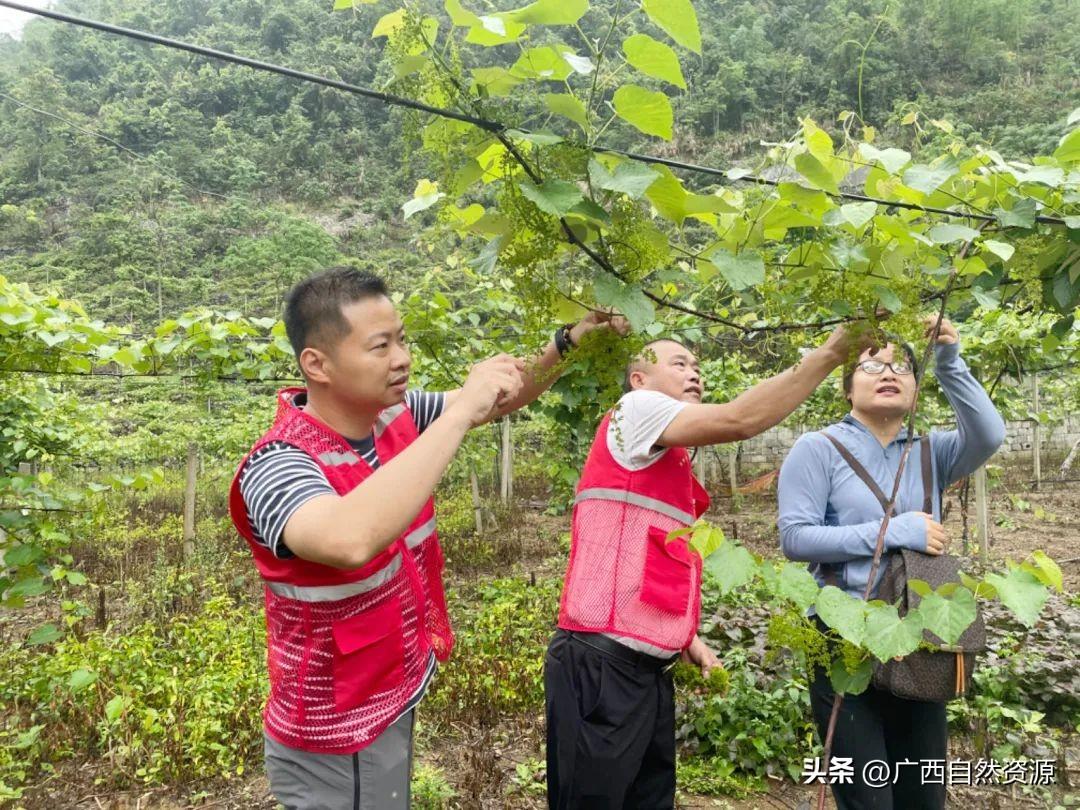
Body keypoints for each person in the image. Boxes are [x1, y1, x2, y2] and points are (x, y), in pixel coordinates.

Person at [229, 266, 625, 810]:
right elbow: (348, 539)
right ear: (316, 364)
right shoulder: (278, 465)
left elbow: (499, 400)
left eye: (402, 339)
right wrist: (462, 407)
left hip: (388, 692)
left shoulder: (395, 415)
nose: (402, 358)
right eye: (380, 346)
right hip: (335, 727)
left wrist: (566, 341)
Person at [545, 325, 871, 809]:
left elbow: (648, 554)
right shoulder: (633, 412)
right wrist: (828, 355)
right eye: (678, 364)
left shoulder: (668, 457)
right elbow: (741, 420)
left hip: (645, 672)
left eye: (697, 366)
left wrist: (686, 638)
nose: (694, 372)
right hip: (602, 666)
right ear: (638, 379)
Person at [777, 316, 1006, 810]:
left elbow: (988, 435)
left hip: (917, 639)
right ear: (848, 389)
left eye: (902, 366)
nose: (888, 372)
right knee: (867, 799)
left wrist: (948, 357)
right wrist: (891, 531)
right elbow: (795, 537)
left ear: (915, 391)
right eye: (872, 364)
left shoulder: (930, 451)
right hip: (843, 636)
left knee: (922, 797)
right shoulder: (819, 449)